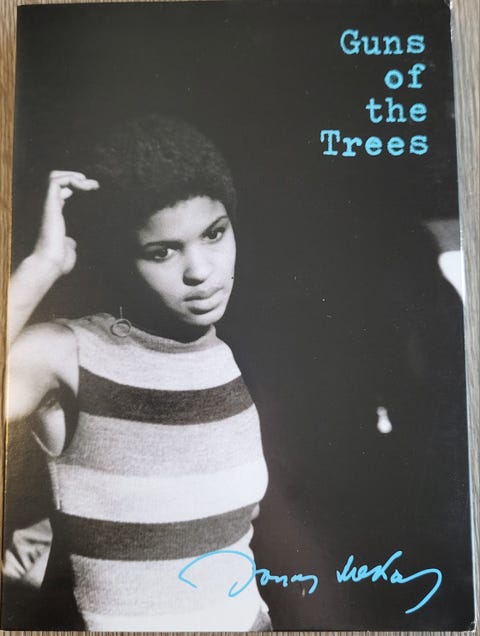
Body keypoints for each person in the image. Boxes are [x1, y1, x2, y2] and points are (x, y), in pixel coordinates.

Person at [5, 115, 270, 631]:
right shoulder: (72, 353)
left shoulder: (223, 357)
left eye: (214, 234)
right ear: (122, 259)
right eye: (162, 251)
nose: (200, 271)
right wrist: (42, 266)